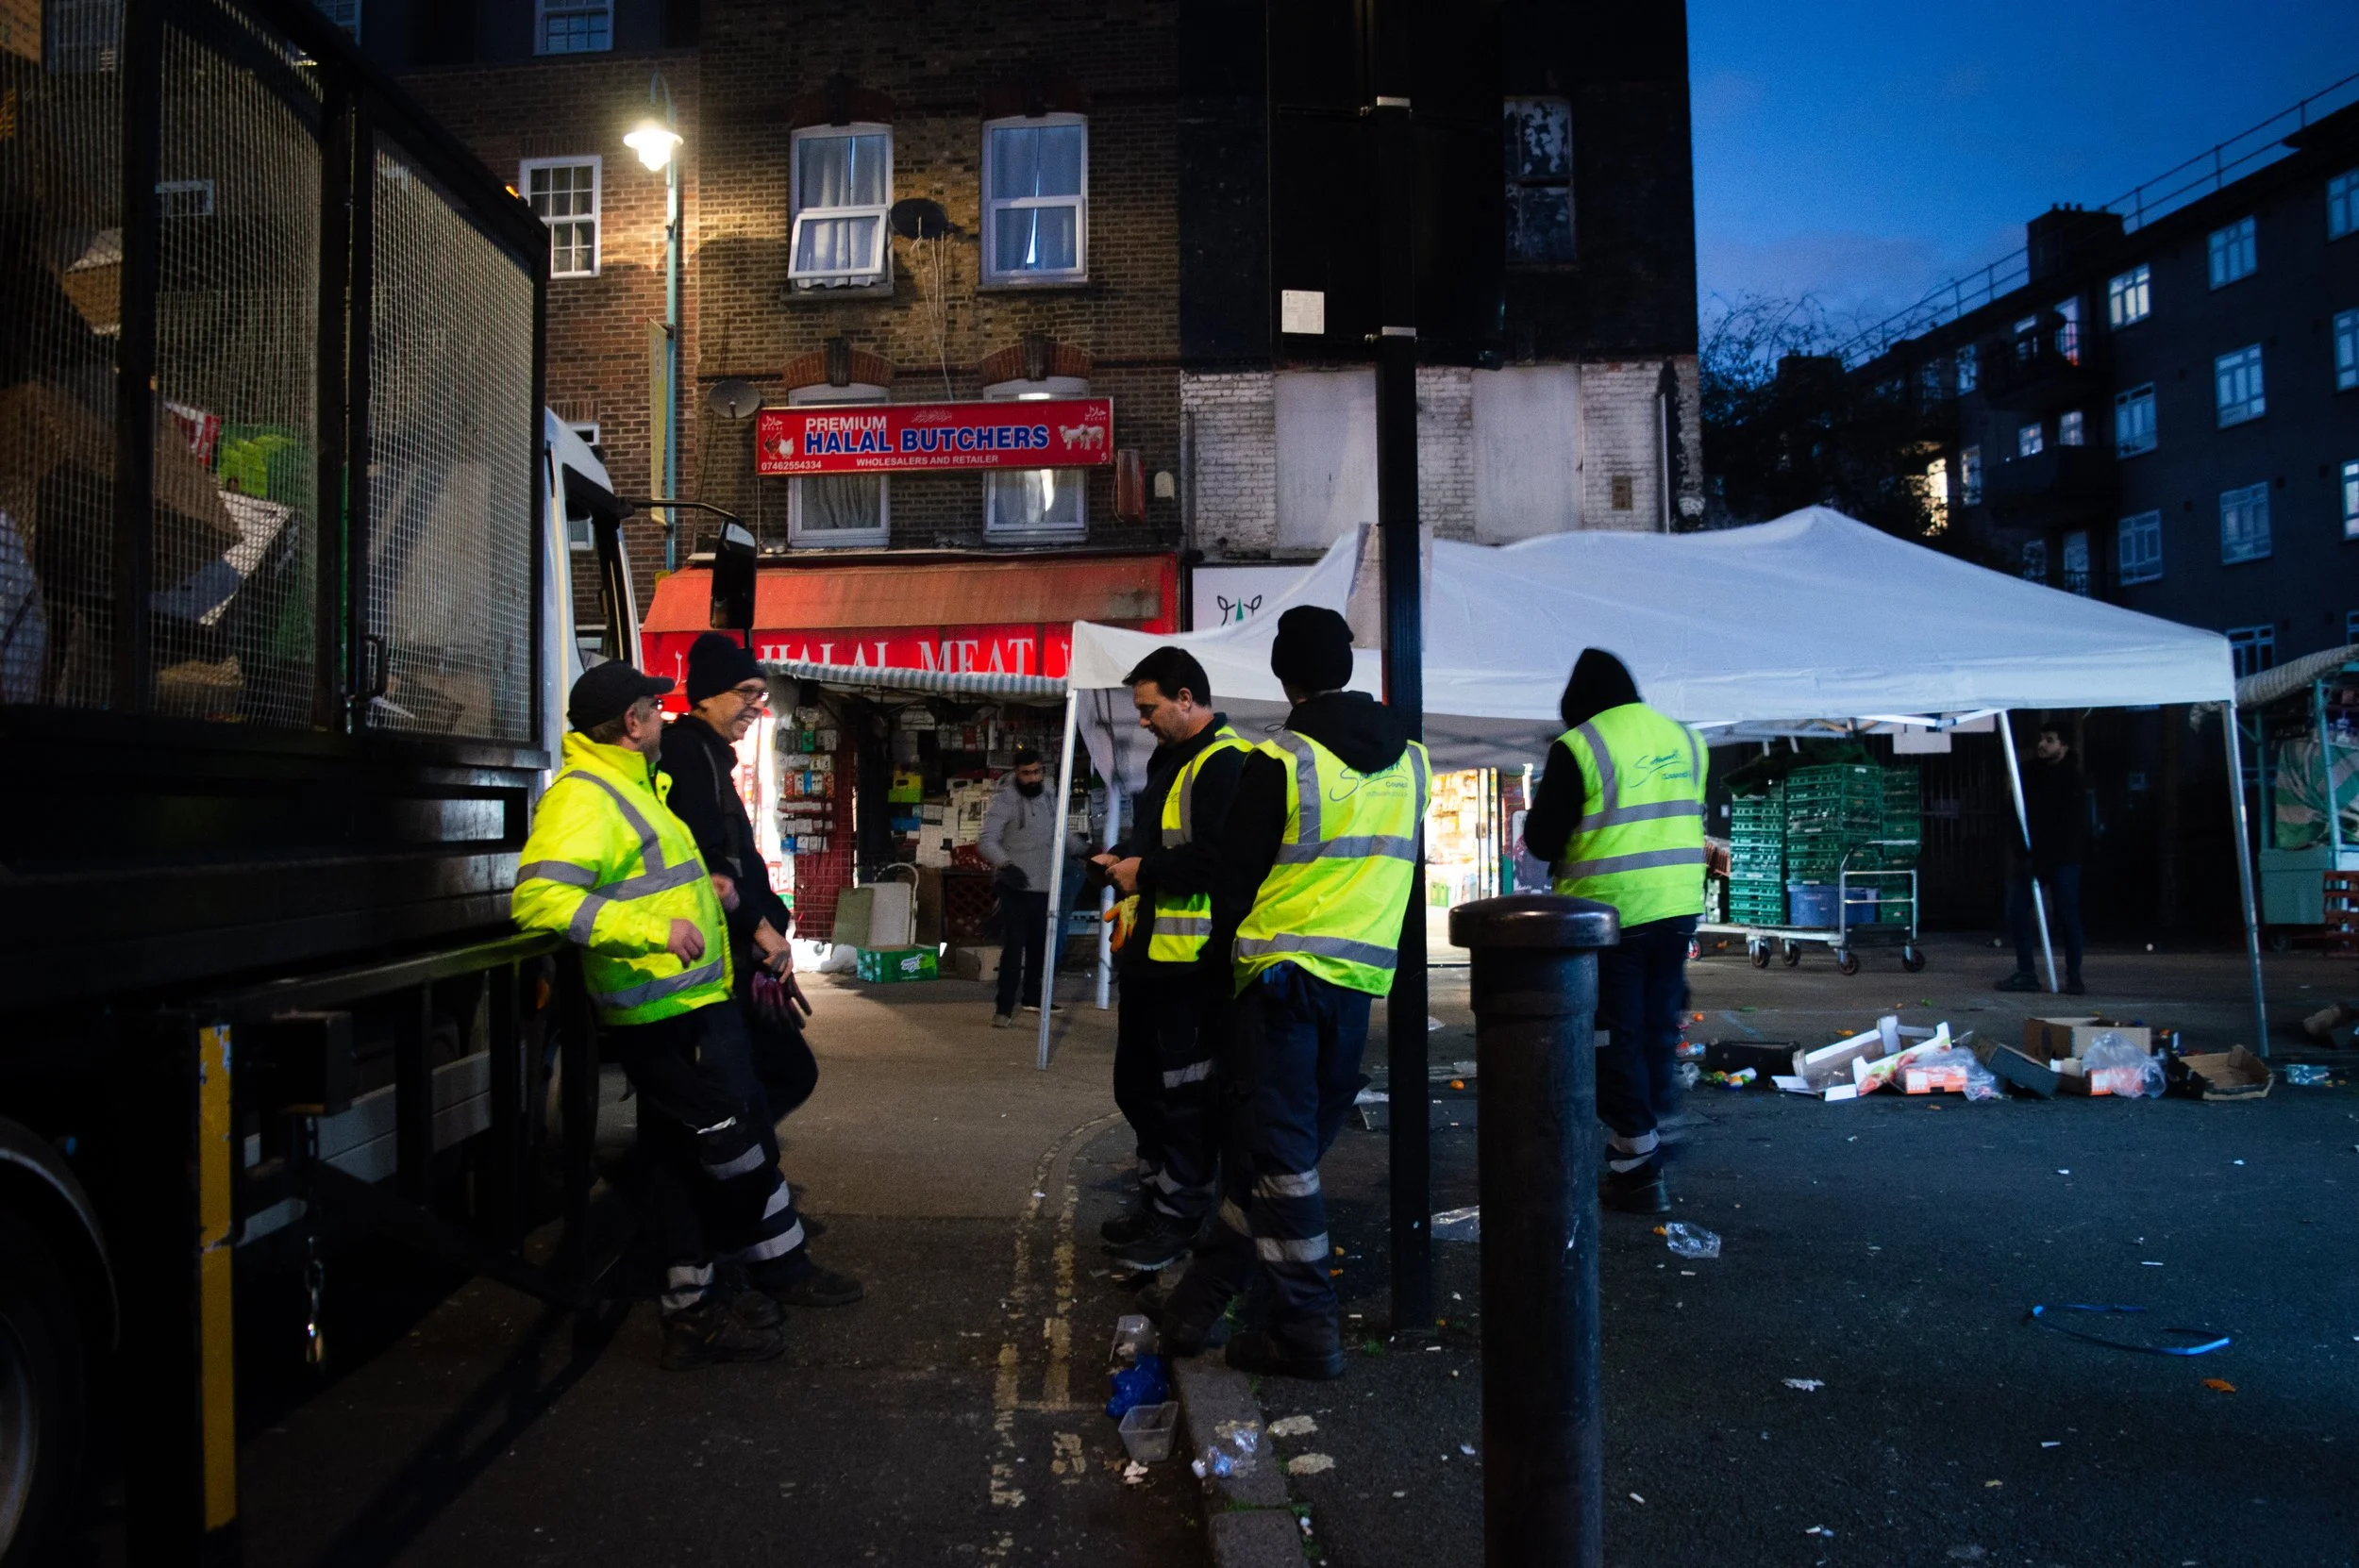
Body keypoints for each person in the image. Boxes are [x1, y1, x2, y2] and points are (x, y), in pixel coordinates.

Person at [512, 661, 859, 1372]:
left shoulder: (634, 785)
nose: (663, 718)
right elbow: (540, 900)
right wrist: (654, 931)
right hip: (662, 1013)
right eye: (652, 707)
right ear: (631, 724)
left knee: (690, 1153)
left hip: (691, 1004)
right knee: (731, 1148)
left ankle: (699, 1301)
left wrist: (721, 896)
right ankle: (708, 1292)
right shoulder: (584, 797)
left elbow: (652, 876)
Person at [1152, 606, 1428, 1382]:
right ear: (1348, 666)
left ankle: (1306, 1328)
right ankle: (1198, 1306)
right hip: (1357, 984)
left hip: (1276, 982)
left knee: (1279, 1161)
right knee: (1279, 1158)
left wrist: (1219, 982)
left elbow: (1233, 886)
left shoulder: (1282, 760)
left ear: (1285, 673)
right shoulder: (1412, 760)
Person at [1521, 648, 1707, 1217]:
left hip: (1608, 918)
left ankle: (1636, 1163)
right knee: (1656, 1025)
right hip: (1677, 909)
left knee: (1612, 1038)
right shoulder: (1686, 739)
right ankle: (1657, 1121)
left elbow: (1543, 840)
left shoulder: (1580, 746)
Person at [1090, 646, 1250, 1272]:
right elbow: (1159, 846)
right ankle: (1156, 1205)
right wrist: (1123, 862)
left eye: (1150, 708)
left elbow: (1220, 859)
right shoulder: (1170, 758)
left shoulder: (1225, 762)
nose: (1143, 721)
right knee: (1138, 1089)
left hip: (1193, 968)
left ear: (1186, 699)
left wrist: (1143, 870)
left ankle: (1177, 1221)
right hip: (1152, 959)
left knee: (1185, 1102)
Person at [657, 632, 820, 1126]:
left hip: (735, 961)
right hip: (717, 961)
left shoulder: (707, 755)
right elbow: (711, 867)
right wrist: (760, 927)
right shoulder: (688, 753)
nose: (756, 706)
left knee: (762, 1080)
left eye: (760, 694)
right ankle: (722, 1169)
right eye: (745, 692)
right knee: (776, 1077)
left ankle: (715, 1168)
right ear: (705, 695)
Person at [977, 746, 1089, 1027]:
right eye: (1027, 773)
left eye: (1037, 771)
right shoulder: (1005, 801)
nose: (1033, 778)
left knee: (1041, 946)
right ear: (1016, 772)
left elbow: (1061, 833)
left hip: (1044, 885)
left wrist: (1086, 850)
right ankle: (1003, 1007)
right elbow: (986, 840)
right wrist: (1006, 865)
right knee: (1014, 947)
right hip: (1014, 886)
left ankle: (1033, 998)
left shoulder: (1050, 797)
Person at [1997, 722, 2088, 995]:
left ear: (2064, 746)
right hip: (2030, 855)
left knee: (2068, 912)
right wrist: (2023, 854)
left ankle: (2074, 976)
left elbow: (2069, 826)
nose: (2042, 745)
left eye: (2050, 740)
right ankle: (2027, 972)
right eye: (2041, 739)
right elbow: (2014, 815)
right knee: (2016, 909)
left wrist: (2043, 857)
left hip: (2061, 857)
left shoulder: (2072, 779)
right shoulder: (2029, 773)